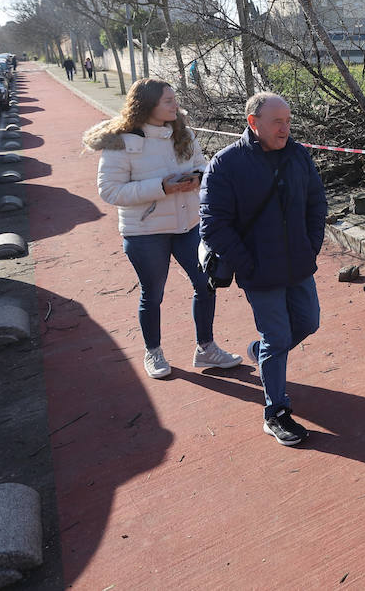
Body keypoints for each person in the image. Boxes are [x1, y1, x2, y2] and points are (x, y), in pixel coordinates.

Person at [84, 78, 243, 379]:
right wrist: (161, 188)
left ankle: (206, 348)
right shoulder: (121, 140)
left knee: (207, 283)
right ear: (147, 105)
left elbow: (204, 164)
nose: (175, 105)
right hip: (144, 232)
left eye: (174, 99)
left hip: (189, 224)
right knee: (152, 294)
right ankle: (153, 351)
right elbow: (110, 191)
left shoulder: (182, 131)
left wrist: (199, 176)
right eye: (168, 101)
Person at [201, 92, 325, 446]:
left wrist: (310, 244)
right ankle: (275, 412)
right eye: (277, 122)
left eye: (288, 121)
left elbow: (317, 203)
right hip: (259, 271)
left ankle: (261, 354)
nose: (285, 128)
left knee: (308, 322)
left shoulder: (299, 155)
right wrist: (247, 264)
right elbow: (212, 224)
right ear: (253, 123)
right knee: (278, 336)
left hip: (299, 264)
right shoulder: (226, 164)